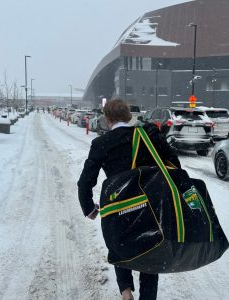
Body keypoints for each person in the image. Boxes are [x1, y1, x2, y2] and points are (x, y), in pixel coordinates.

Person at [77, 99, 180, 300]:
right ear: (128, 115)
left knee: (119, 245)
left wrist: (89, 208)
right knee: (150, 249)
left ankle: (125, 291)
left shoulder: (101, 143)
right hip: (150, 205)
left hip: (119, 205)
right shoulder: (149, 134)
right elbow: (174, 164)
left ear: (107, 119)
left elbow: (85, 181)